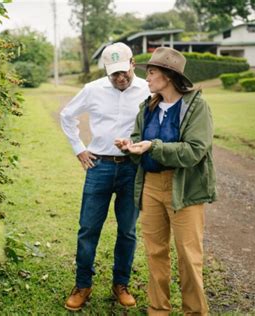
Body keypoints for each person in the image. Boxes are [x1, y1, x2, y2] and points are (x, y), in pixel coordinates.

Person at [115, 47, 217, 315]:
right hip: (150, 185)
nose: (146, 79)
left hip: (183, 188)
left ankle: (195, 312)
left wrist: (154, 146)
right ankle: (158, 310)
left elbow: (196, 150)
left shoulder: (195, 106)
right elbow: (139, 138)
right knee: (155, 253)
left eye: (151, 73)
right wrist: (131, 146)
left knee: (188, 256)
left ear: (169, 76)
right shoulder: (148, 106)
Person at [60, 42, 150, 311]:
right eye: (114, 74)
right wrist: (79, 149)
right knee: (88, 229)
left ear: (133, 64)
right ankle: (83, 285)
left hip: (132, 168)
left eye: (124, 71)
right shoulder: (93, 90)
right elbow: (67, 115)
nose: (120, 78)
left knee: (128, 231)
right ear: (107, 71)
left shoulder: (147, 89)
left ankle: (120, 284)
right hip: (98, 167)